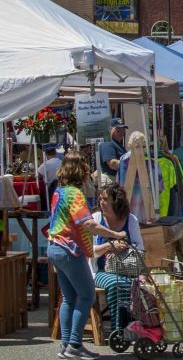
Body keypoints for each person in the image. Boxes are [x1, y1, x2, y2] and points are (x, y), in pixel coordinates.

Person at [48, 150, 126, 358]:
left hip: (55, 246)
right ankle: (74, 343)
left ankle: (66, 346)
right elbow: (89, 223)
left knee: (69, 297)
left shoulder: (59, 191)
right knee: (87, 295)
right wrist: (114, 234)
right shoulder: (74, 193)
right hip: (69, 249)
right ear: (80, 170)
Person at [91, 184, 143, 337]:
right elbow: (88, 251)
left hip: (127, 269)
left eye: (106, 199)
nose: (101, 202)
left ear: (117, 200)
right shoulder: (95, 219)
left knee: (135, 283)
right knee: (117, 284)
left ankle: (130, 326)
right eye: (100, 199)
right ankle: (118, 329)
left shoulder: (131, 220)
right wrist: (109, 246)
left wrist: (124, 247)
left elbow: (140, 247)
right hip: (99, 271)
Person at [116, 130, 164, 221]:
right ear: (145, 145)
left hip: (128, 209)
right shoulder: (152, 163)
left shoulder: (123, 161)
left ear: (129, 144)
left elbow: (119, 184)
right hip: (147, 210)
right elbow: (159, 188)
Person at [98, 118, 128, 182]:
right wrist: (130, 164)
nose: (121, 132)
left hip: (117, 180)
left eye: (123, 130)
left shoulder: (117, 143)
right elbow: (112, 163)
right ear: (111, 129)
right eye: (118, 130)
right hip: (110, 180)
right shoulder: (107, 143)